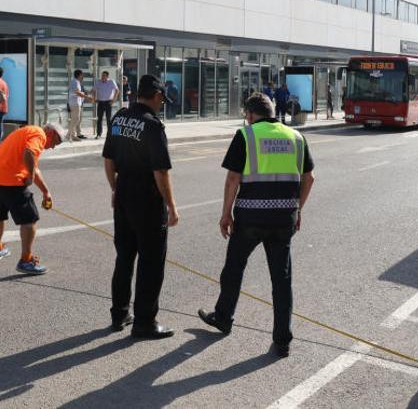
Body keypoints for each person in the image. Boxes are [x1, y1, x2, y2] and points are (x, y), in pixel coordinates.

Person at [198, 93, 315, 358]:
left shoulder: (246, 136)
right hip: (284, 218)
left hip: (250, 217)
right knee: (282, 280)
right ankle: (282, 340)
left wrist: (225, 214)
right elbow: (309, 179)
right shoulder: (296, 137)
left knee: (234, 268)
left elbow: (232, 179)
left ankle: (224, 317)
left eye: (245, 117)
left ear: (250, 115)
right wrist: (297, 208)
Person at [103, 74, 180, 340]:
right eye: (162, 100)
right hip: (147, 199)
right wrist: (170, 204)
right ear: (157, 96)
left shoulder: (119, 117)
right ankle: (145, 321)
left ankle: (119, 313)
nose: (162, 104)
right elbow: (160, 171)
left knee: (124, 256)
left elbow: (108, 160)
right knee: (151, 261)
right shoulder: (152, 126)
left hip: (123, 193)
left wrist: (115, 189)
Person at [0, 122, 67, 274]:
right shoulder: (39, 134)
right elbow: (29, 153)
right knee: (30, 220)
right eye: (56, 142)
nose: (54, 147)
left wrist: (46, 192)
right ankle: (26, 261)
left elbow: (33, 165)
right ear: (51, 133)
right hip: (10, 179)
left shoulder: (27, 131)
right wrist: (30, 176)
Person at [94, 71, 119, 139]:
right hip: (100, 102)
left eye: (104, 75)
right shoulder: (98, 82)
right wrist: (94, 98)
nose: (102, 77)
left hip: (108, 102)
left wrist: (114, 100)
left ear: (107, 76)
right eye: (102, 75)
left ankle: (110, 134)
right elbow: (94, 90)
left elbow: (117, 90)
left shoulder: (111, 81)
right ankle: (99, 134)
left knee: (109, 119)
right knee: (99, 119)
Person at [67, 69, 90, 141]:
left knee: (75, 119)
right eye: (82, 75)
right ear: (79, 75)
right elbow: (77, 92)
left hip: (76, 103)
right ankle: (69, 134)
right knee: (76, 119)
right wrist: (87, 97)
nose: (83, 76)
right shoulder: (75, 82)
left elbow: (77, 92)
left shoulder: (76, 82)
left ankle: (71, 135)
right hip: (75, 104)